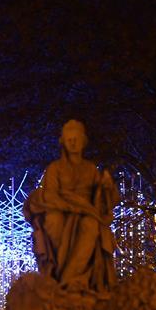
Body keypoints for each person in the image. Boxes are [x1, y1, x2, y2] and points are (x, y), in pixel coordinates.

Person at [24, 119, 119, 291]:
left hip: (87, 214)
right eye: (69, 139)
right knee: (54, 221)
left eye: (76, 139)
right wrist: (71, 206)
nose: (73, 142)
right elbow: (50, 196)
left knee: (90, 226)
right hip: (61, 209)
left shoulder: (91, 170)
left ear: (83, 141)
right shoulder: (54, 168)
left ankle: (71, 280)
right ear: (64, 142)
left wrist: (107, 187)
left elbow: (105, 202)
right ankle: (60, 275)